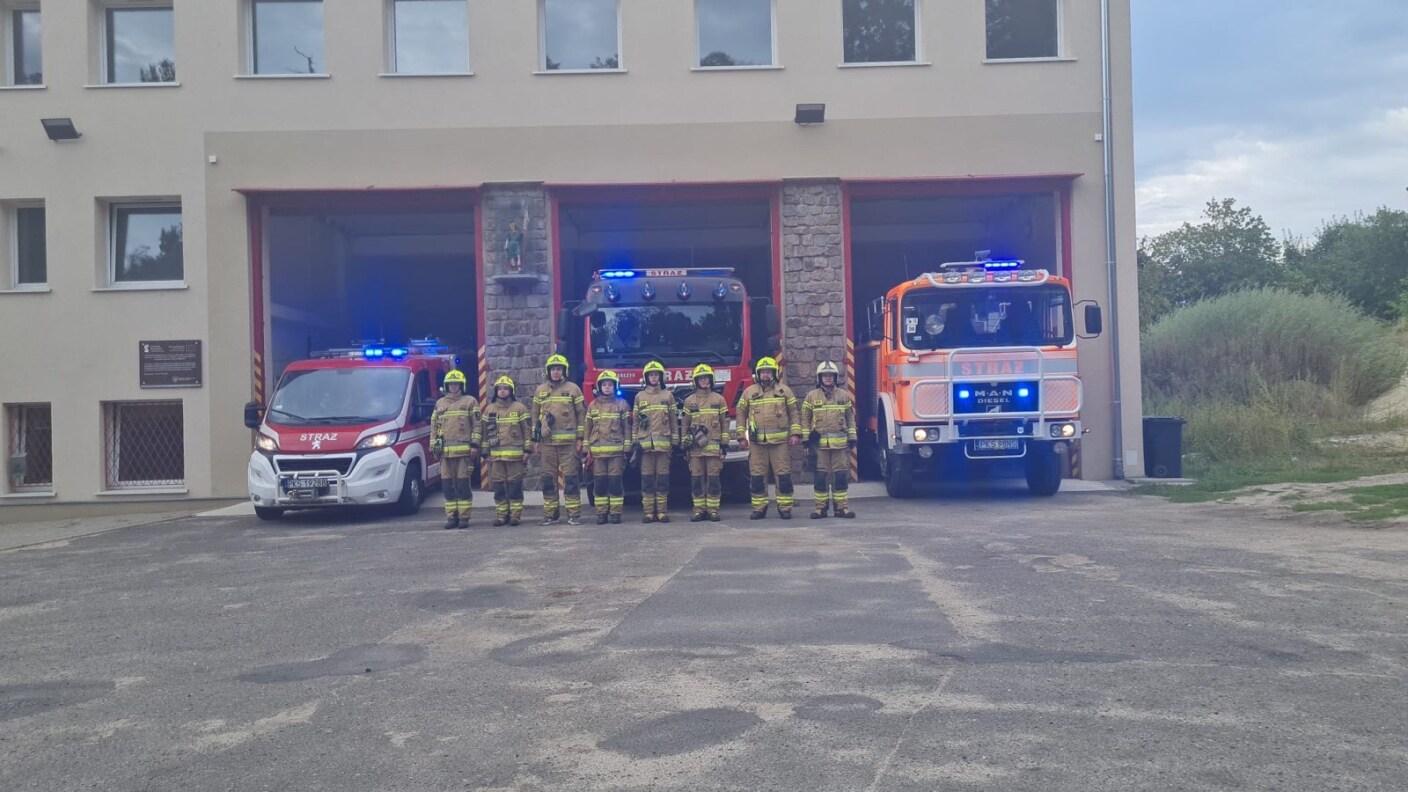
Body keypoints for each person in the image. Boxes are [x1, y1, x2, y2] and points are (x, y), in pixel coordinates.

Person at [736, 356, 801, 519]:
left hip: (780, 444)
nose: (765, 375)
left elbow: (794, 413)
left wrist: (795, 433)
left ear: (775, 373)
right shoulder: (749, 392)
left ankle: (785, 508)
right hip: (757, 443)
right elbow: (740, 414)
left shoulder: (784, 391)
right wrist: (741, 436)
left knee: (783, 476)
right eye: (763, 372)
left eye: (768, 372)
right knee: (757, 476)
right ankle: (759, 508)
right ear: (758, 374)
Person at [532, 353, 587, 526]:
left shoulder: (573, 389)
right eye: (553, 369)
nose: (556, 372)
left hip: (568, 444)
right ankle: (551, 515)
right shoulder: (540, 390)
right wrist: (536, 440)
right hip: (547, 444)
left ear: (564, 371)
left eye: (559, 369)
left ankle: (573, 515)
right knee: (548, 479)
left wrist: (580, 439)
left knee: (571, 479)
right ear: (548, 371)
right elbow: (535, 416)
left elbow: (581, 414)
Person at [802, 361, 857, 519]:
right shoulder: (811, 396)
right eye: (825, 376)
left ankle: (842, 508)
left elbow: (850, 418)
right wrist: (806, 439)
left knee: (840, 477)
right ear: (819, 378)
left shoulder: (843, 396)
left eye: (830, 375)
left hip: (840, 446)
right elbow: (805, 419)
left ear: (835, 377)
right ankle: (821, 509)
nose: (828, 378)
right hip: (819, 447)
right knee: (821, 478)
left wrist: (852, 437)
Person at [430, 369, 481, 529]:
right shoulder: (440, 403)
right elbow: (434, 426)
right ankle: (452, 517)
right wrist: (434, 446)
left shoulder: (470, 402)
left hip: (464, 453)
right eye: (451, 384)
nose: (453, 387)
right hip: (445, 454)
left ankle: (464, 517)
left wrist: (474, 445)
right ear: (447, 386)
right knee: (447, 486)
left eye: (456, 384)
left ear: (461, 385)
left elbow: (477, 425)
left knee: (462, 485)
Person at [481, 374, 533, 527]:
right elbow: (484, 433)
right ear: (496, 391)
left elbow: (527, 431)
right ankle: (501, 516)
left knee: (515, 486)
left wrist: (527, 451)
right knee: (499, 488)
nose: (503, 391)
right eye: (500, 389)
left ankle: (515, 516)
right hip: (496, 458)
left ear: (511, 391)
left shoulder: (519, 408)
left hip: (515, 458)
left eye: (506, 388)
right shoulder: (489, 409)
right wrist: (485, 452)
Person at [681, 363, 728, 522]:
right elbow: (685, 424)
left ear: (711, 380)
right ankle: (699, 510)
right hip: (695, 449)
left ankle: (713, 510)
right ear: (696, 381)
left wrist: (724, 444)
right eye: (701, 379)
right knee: (696, 480)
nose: (704, 381)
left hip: (714, 448)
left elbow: (725, 423)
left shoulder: (719, 400)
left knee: (714, 480)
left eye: (706, 378)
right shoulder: (689, 401)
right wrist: (684, 443)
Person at [633, 360, 679, 523]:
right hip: (645, 447)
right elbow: (635, 422)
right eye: (651, 375)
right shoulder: (639, 397)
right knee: (647, 480)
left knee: (662, 480)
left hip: (663, 447)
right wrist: (634, 441)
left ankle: (661, 512)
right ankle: (648, 512)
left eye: (656, 375)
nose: (654, 377)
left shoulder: (668, 396)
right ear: (646, 377)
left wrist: (675, 439)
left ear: (661, 377)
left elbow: (673, 420)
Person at [585, 370, 632, 524]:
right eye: (604, 384)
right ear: (599, 387)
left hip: (616, 453)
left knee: (615, 483)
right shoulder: (593, 405)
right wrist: (586, 447)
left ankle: (615, 513)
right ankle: (601, 513)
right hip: (597, 453)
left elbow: (627, 427)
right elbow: (587, 428)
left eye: (610, 384)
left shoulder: (622, 404)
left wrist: (627, 446)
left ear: (615, 386)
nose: (607, 387)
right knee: (599, 484)